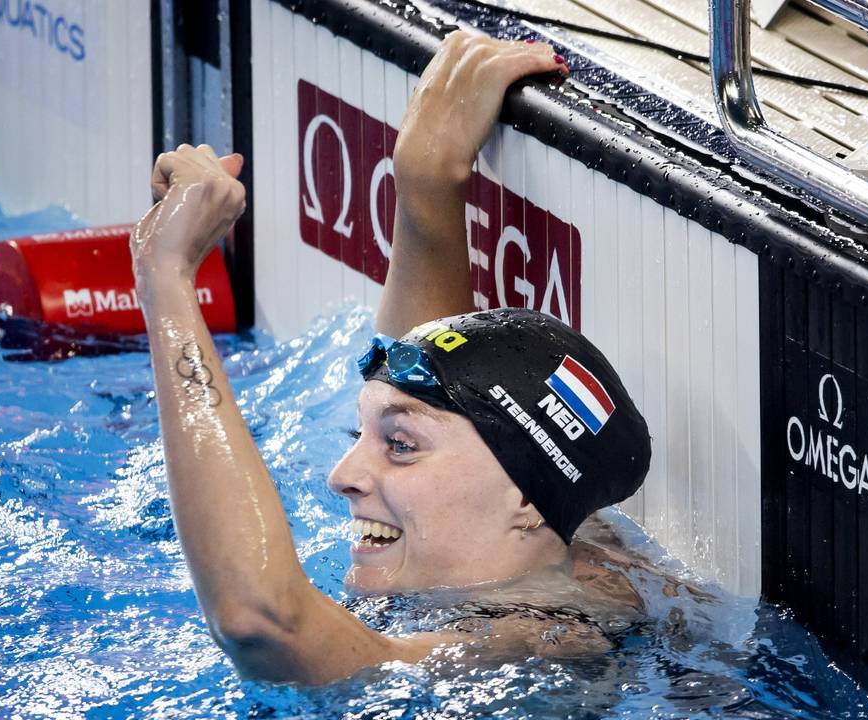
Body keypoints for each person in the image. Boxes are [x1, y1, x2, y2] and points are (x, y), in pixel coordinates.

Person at [130, 32, 651, 685]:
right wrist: (427, 176)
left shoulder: (535, 642)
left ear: (524, 500)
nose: (341, 477)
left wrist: (167, 280)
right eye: (368, 433)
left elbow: (262, 622)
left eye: (398, 446)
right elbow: (465, 413)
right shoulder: (545, 525)